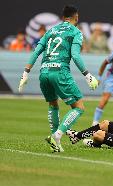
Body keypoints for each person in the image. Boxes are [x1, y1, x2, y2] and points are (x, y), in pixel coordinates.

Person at [18, 5, 99, 152]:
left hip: (43, 73)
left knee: (53, 104)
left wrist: (25, 73)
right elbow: (75, 55)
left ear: (63, 18)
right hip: (60, 71)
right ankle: (57, 135)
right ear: (77, 17)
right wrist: (87, 75)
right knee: (79, 107)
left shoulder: (51, 31)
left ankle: (56, 144)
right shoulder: (76, 32)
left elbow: (36, 52)